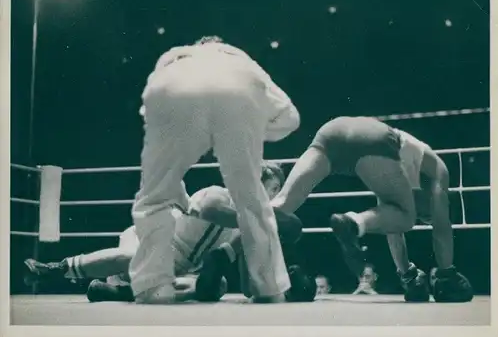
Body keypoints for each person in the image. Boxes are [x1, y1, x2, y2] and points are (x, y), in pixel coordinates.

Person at [130, 35, 300, 303]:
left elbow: (150, 115)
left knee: (153, 197)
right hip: (239, 95)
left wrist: (178, 189)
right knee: (252, 202)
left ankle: (153, 288)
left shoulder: (177, 60)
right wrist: (250, 131)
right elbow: (290, 118)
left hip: (171, 90)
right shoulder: (241, 59)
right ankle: (268, 289)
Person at [24, 162, 305, 302]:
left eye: (276, 191)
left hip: (177, 266)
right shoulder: (218, 196)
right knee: (140, 256)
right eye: (273, 189)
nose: (273, 196)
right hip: (150, 239)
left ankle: (120, 293)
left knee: (214, 287)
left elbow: (245, 284)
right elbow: (212, 212)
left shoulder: (250, 224)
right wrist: (268, 223)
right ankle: (54, 269)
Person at [269, 116, 473, 302]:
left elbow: (392, 230)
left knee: (279, 208)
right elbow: (442, 228)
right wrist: (446, 273)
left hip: (331, 132)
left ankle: (255, 262)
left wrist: (408, 274)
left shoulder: (396, 184)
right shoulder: (438, 172)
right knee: (405, 217)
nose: (422, 216)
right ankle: (354, 222)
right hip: (375, 139)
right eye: (426, 214)